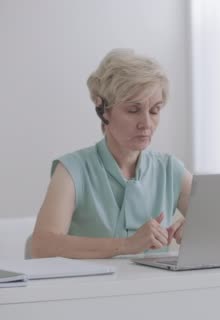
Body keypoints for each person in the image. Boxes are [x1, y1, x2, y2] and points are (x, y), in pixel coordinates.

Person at [31, 49, 193, 259]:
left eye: (154, 110)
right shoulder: (72, 170)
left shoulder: (171, 170)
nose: (146, 123)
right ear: (103, 109)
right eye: (133, 110)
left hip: (155, 291)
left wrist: (202, 230)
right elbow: (42, 246)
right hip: (91, 292)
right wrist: (125, 245)